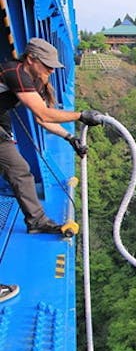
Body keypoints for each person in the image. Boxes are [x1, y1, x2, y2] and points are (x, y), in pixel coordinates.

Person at [0, 37, 103, 234]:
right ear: (31, 59)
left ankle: (36, 220)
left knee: (16, 168)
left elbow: (42, 120)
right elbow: (44, 114)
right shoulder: (15, 73)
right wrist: (80, 116)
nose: (52, 71)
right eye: (47, 65)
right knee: (19, 169)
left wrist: (69, 138)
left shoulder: (28, 80)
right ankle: (37, 221)